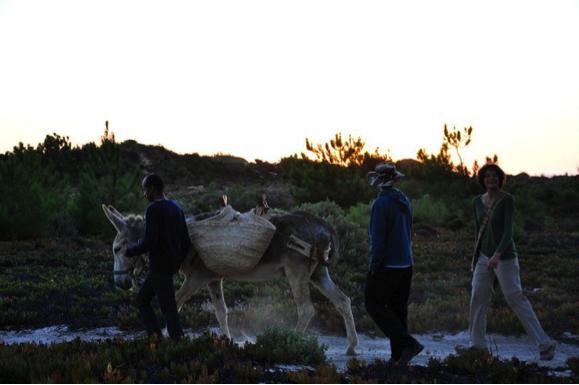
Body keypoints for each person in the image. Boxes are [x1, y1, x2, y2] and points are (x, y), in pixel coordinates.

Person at [469, 163, 556, 359]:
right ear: (482, 179)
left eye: (494, 176)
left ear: (500, 179)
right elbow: (478, 232)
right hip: (483, 255)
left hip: (505, 256)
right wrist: (476, 259)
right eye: (487, 176)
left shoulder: (507, 200)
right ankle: (477, 345)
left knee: (514, 297)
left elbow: (508, 231)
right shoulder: (476, 202)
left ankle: (545, 344)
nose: (491, 179)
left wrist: (497, 254)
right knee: (478, 298)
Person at [365, 163, 424, 365]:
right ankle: (398, 356)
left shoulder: (381, 204)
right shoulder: (403, 200)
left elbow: (378, 240)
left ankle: (409, 344)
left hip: (388, 265)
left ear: (379, 180)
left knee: (373, 304)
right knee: (398, 310)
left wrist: (374, 266)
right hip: (406, 264)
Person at [126, 173, 191, 340]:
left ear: (152, 189)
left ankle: (176, 342)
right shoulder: (177, 207)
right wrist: (178, 263)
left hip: (159, 267)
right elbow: (186, 241)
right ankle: (156, 336)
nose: (144, 193)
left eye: (145, 189)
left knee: (168, 309)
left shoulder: (153, 209)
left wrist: (131, 251)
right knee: (142, 300)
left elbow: (150, 242)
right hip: (168, 267)